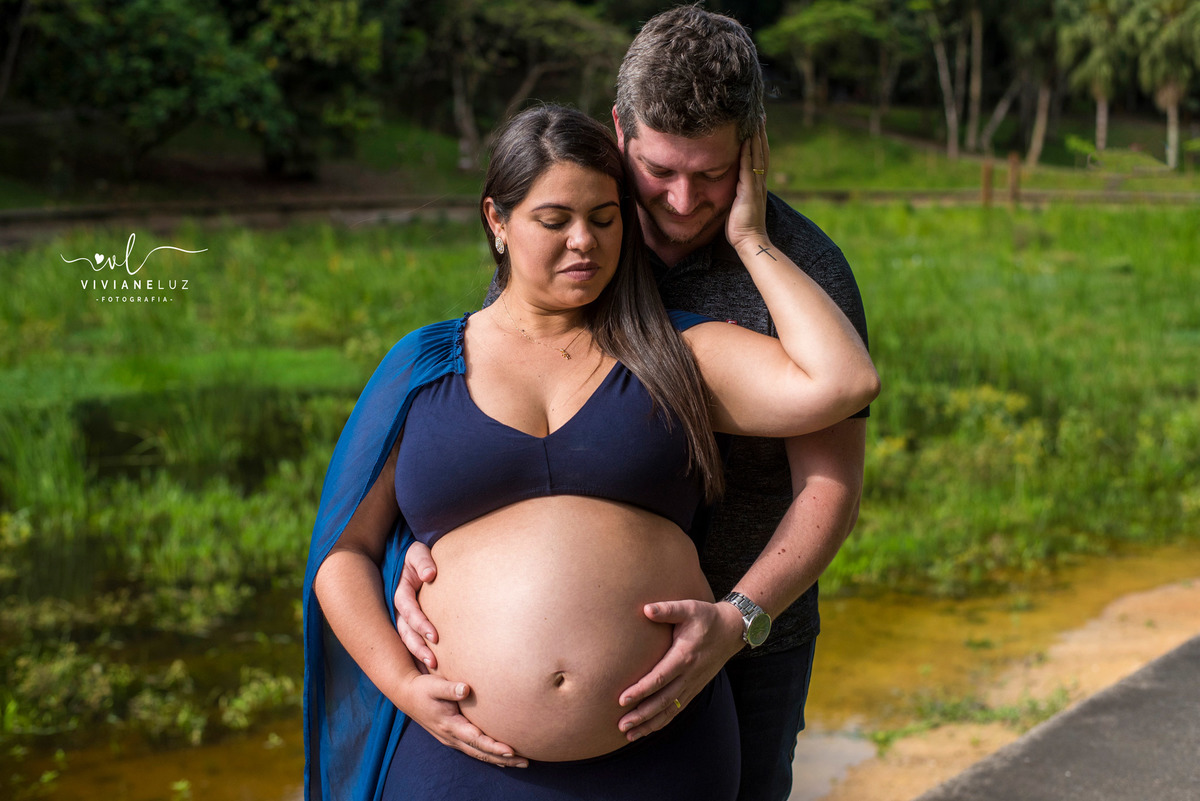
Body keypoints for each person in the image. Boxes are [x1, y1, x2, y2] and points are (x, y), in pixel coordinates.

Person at [304, 104, 877, 801]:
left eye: (606, 219)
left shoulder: (677, 351)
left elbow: (845, 382)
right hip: (458, 754)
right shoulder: (423, 365)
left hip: (659, 748)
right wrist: (402, 685)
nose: (584, 242)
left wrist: (750, 235)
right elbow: (344, 552)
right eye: (555, 220)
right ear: (498, 220)